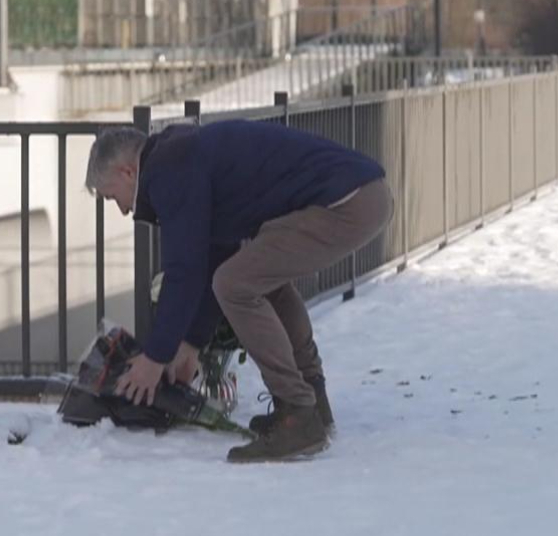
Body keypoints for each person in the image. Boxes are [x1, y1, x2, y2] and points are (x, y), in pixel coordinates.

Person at [84, 119, 393, 462]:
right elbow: (215, 255)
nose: (124, 210)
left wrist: (156, 357)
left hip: (345, 203)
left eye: (113, 197)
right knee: (253, 279)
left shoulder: (169, 169)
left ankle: (298, 413)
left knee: (235, 284)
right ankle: (312, 405)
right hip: (362, 194)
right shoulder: (182, 157)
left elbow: (184, 269)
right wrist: (188, 346)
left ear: (128, 172)